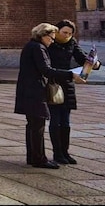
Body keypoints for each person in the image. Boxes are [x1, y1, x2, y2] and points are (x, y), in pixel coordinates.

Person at [15, 22, 84, 169]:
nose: (52, 41)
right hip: (35, 92)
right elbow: (46, 70)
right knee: (37, 126)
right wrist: (70, 75)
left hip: (28, 90)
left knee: (33, 126)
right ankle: (39, 159)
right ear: (43, 35)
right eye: (51, 38)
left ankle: (33, 157)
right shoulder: (38, 48)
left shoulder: (31, 46)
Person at [47, 19, 99, 164]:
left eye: (70, 33)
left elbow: (82, 58)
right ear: (57, 31)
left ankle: (65, 152)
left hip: (68, 84)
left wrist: (95, 64)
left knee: (66, 123)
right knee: (55, 121)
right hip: (53, 84)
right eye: (64, 32)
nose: (67, 36)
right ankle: (57, 154)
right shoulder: (49, 43)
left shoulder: (72, 42)